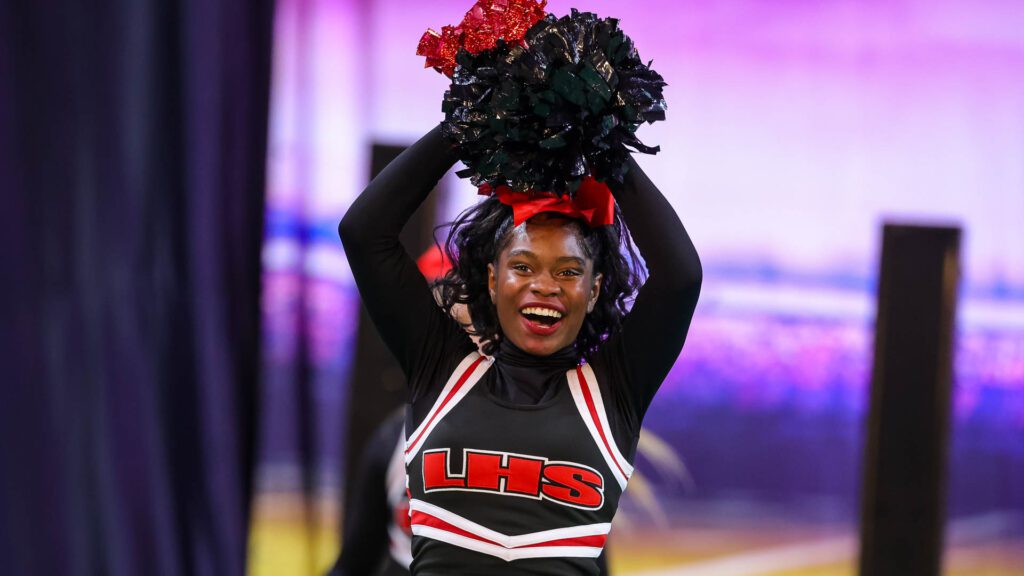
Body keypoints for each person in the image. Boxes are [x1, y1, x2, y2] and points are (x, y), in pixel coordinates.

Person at [338, 120, 701, 574]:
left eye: (568, 272)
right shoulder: (439, 367)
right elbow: (363, 232)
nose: (544, 286)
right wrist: (466, 122)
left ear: (593, 291)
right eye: (523, 267)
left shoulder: (613, 391)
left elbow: (681, 277)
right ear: (492, 280)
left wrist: (604, 138)